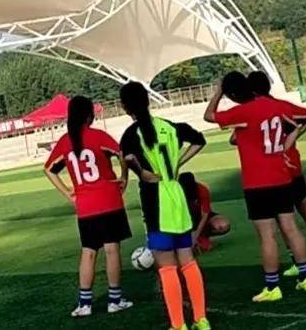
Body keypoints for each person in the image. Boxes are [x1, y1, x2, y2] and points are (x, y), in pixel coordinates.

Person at [203, 72, 306, 302]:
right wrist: (285, 147)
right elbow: (295, 125)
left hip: (258, 183)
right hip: (282, 178)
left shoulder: (242, 112)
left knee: (267, 236)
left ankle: (272, 286)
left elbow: (209, 116)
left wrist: (218, 92)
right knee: (291, 228)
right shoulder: (272, 105)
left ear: (232, 94)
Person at [119, 82, 210, 330]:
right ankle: (201, 319)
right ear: (147, 101)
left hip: (155, 201)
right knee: (188, 260)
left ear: (125, 107)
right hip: (176, 195)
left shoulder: (131, 134)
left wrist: (140, 172)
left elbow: (129, 158)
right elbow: (199, 140)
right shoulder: (169, 126)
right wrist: (178, 162)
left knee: (167, 267)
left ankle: (178, 324)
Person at [242, 71, 306, 276]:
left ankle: (297, 262)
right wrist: (294, 136)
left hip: (274, 170)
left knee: (283, 218)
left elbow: (236, 139)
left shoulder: (253, 111)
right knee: (305, 207)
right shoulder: (281, 105)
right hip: (292, 164)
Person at [44, 96, 134, 318]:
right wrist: (124, 176)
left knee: (88, 251)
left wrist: (68, 193)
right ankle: (115, 300)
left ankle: (84, 304)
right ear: (88, 115)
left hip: (85, 205)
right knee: (112, 249)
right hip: (109, 199)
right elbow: (121, 154)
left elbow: (48, 169)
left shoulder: (65, 141)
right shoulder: (98, 135)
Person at [179, 172, 231, 253]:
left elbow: (205, 215)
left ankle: (201, 238)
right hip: (183, 221)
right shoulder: (175, 192)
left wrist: (195, 236)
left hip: (199, 217)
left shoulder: (202, 189)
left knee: (223, 225)